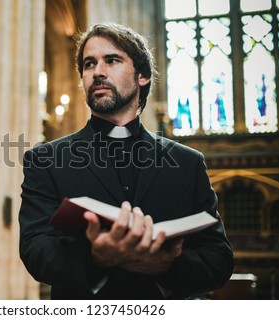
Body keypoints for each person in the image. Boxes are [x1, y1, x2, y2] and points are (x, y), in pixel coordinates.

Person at [19, 22, 233, 299]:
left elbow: (218, 259)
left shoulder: (187, 163)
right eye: (89, 64)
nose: (98, 72)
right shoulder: (46, 159)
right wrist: (96, 258)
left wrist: (166, 266)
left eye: (112, 60)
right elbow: (35, 250)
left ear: (142, 75)